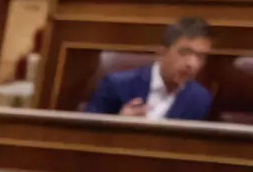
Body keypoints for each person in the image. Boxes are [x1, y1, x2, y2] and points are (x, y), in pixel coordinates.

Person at [84, 17, 215, 120]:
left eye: (201, 57)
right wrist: (119, 124)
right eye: (184, 52)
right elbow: (84, 135)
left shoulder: (200, 99)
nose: (192, 64)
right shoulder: (116, 85)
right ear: (162, 52)